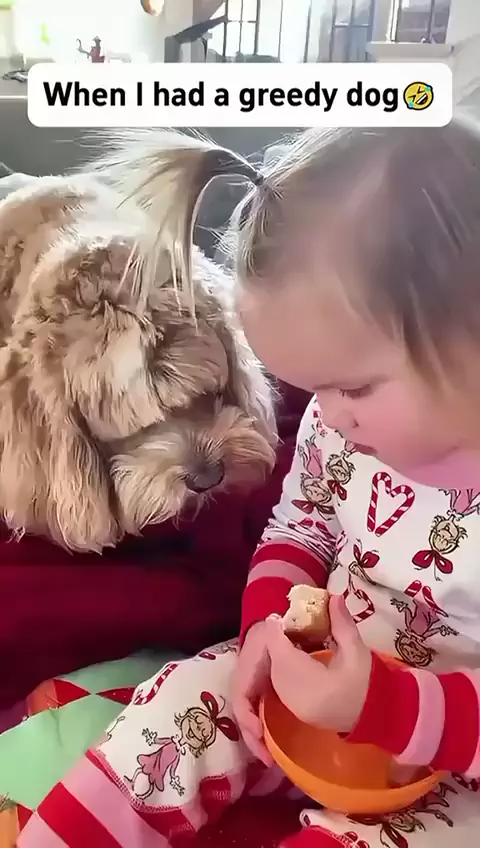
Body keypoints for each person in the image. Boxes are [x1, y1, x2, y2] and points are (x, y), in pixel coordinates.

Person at [19, 117, 480, 847]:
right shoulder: (339, 429)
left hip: (458, 767)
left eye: (354, 387)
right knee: (177, 708)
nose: (327, 416)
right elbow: (303, 524)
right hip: (322, 687)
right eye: (311, 389)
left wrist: (385, 708)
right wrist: (266, 622)